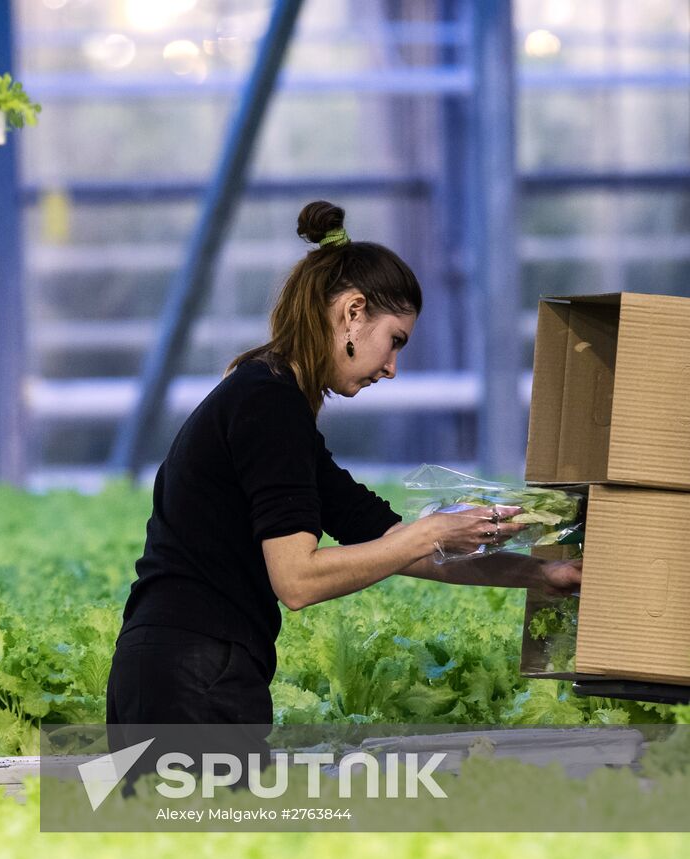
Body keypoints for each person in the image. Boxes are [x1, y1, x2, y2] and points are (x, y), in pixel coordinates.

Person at [105, 200, 581, 778]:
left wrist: (541, 574)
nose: (392, 369)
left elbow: (398, 544)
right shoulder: (268, 402)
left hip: (177, 672)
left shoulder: (275, 405)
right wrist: (432, 530)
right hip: (194, 677)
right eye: (396, 340)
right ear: (354, 312)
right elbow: (298, 580)